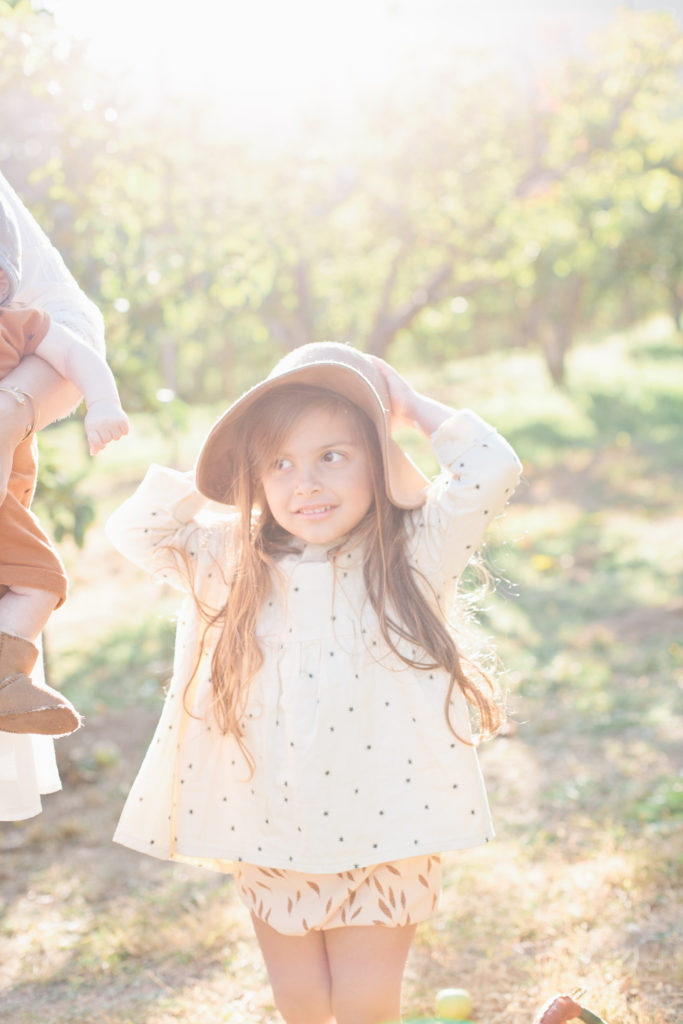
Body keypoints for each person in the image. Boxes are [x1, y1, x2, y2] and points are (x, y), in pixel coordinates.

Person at [106, 341, 522, 1024]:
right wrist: (227, 457)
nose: (306, 483)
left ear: (378, 462)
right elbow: (136, 530)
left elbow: (491, 469)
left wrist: (412, 408)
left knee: (364, 1007)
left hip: (388, 831)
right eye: (280, 463)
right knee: (302, 1006)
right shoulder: (231, 561)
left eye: (332, 455)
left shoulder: (413, 553)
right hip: (271, 828)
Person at [0, 169, 113, 820]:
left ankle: (5, 669)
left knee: (41, 576)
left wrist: (100, 403)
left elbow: (74, 333)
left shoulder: (18, 324)